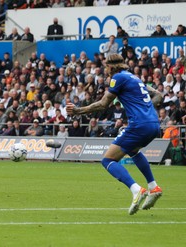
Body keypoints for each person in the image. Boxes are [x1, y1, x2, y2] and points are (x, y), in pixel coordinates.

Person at [64, 54, 163, 215]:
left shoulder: (117, 78)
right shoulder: (135, 78)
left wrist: (78, 110)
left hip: (139, 125)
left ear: (111, 66)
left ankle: (136, 189)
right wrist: (145, 110)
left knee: (107, 160)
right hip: (154, 124)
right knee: (133, 150)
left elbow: (104, 103)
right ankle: (153, 187)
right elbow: (159, 95)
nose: (105, 69)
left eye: (106, 66)